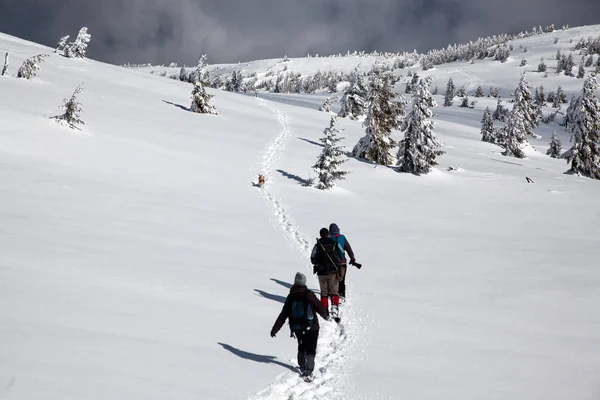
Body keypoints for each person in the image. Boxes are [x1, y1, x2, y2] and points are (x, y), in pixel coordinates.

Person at [270, 272, 329, 379]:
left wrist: (275, 329)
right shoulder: (309, 294)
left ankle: (302, 366)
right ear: (304, 282)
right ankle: (308, 370)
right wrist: (325, 315)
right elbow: (319, 306)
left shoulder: (291, 296)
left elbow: (283, 314)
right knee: (311, 348)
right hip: (312, 327)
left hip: (297, 327)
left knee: (302, 346)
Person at [310, 227, 341, 319]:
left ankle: (324, 310)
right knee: (334, 291)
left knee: (324, 292)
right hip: (333, 271)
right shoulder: (334, 243)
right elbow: (340, 253)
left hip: (321, 272)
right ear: (328, 234)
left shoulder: (317, 245)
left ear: (320, 235)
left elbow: (312, 259)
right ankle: (334, 308)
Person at [329, 223, 359, 302]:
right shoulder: (342, 238)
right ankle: (342, 296)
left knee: (332, 279)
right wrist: (352, 259)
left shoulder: (329, 238)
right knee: (342, 280)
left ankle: (332, 295)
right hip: (342, 263)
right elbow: (349, 249)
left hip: (332, 263)